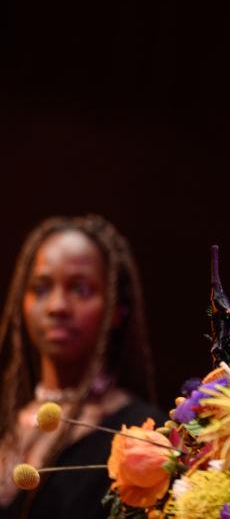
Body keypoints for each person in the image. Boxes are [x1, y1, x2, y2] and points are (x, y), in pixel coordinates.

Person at [0, 215, 162, 519]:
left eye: (81, 289)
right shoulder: (6, 419)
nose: (57, 306)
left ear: (117, 310)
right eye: (41, 287)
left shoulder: (140, 435)